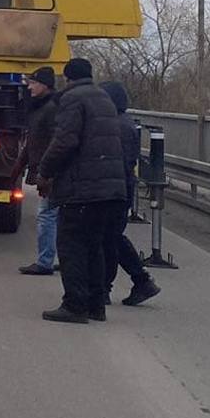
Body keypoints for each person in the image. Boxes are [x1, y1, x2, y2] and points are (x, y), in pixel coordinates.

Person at [36, 57, 126, 323]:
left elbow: (65, 141)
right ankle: (96, 305)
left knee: (71, 245)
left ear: (68, 78)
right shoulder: (103, 98)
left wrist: (45, 172)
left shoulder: (72, 99)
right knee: (94, 245)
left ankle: (75, 305)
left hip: (82, 187)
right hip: (109, 186)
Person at [100, 81, 161, 307]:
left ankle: (124, 284)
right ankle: (139, 281)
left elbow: (117, 161)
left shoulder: (117, 126)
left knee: (109, 238)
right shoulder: (125, 123)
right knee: (112, 237)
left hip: (116, 188)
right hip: (122, 187)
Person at [12, 66, 60, 275]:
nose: (29, 87)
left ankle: (45, 262)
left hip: (50, 173)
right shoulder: (40, 108)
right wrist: (17, 169)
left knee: (48, 215)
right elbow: (33, 141)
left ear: (44, 85)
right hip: (46, 171)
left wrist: (46, 174)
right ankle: (51, 259)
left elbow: (55, 143)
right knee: (52, 216)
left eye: (32, 83)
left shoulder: (50, 109)